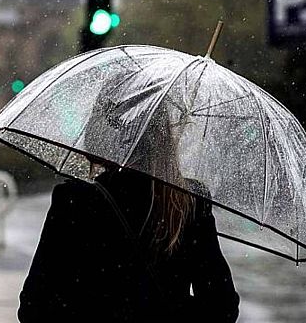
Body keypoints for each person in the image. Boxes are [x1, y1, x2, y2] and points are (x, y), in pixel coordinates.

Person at [18, 76, 240, 322]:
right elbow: (222, 306)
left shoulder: (76, 202)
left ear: (99, 130)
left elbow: (34, 307)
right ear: (160, 134)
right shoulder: (188, 202)